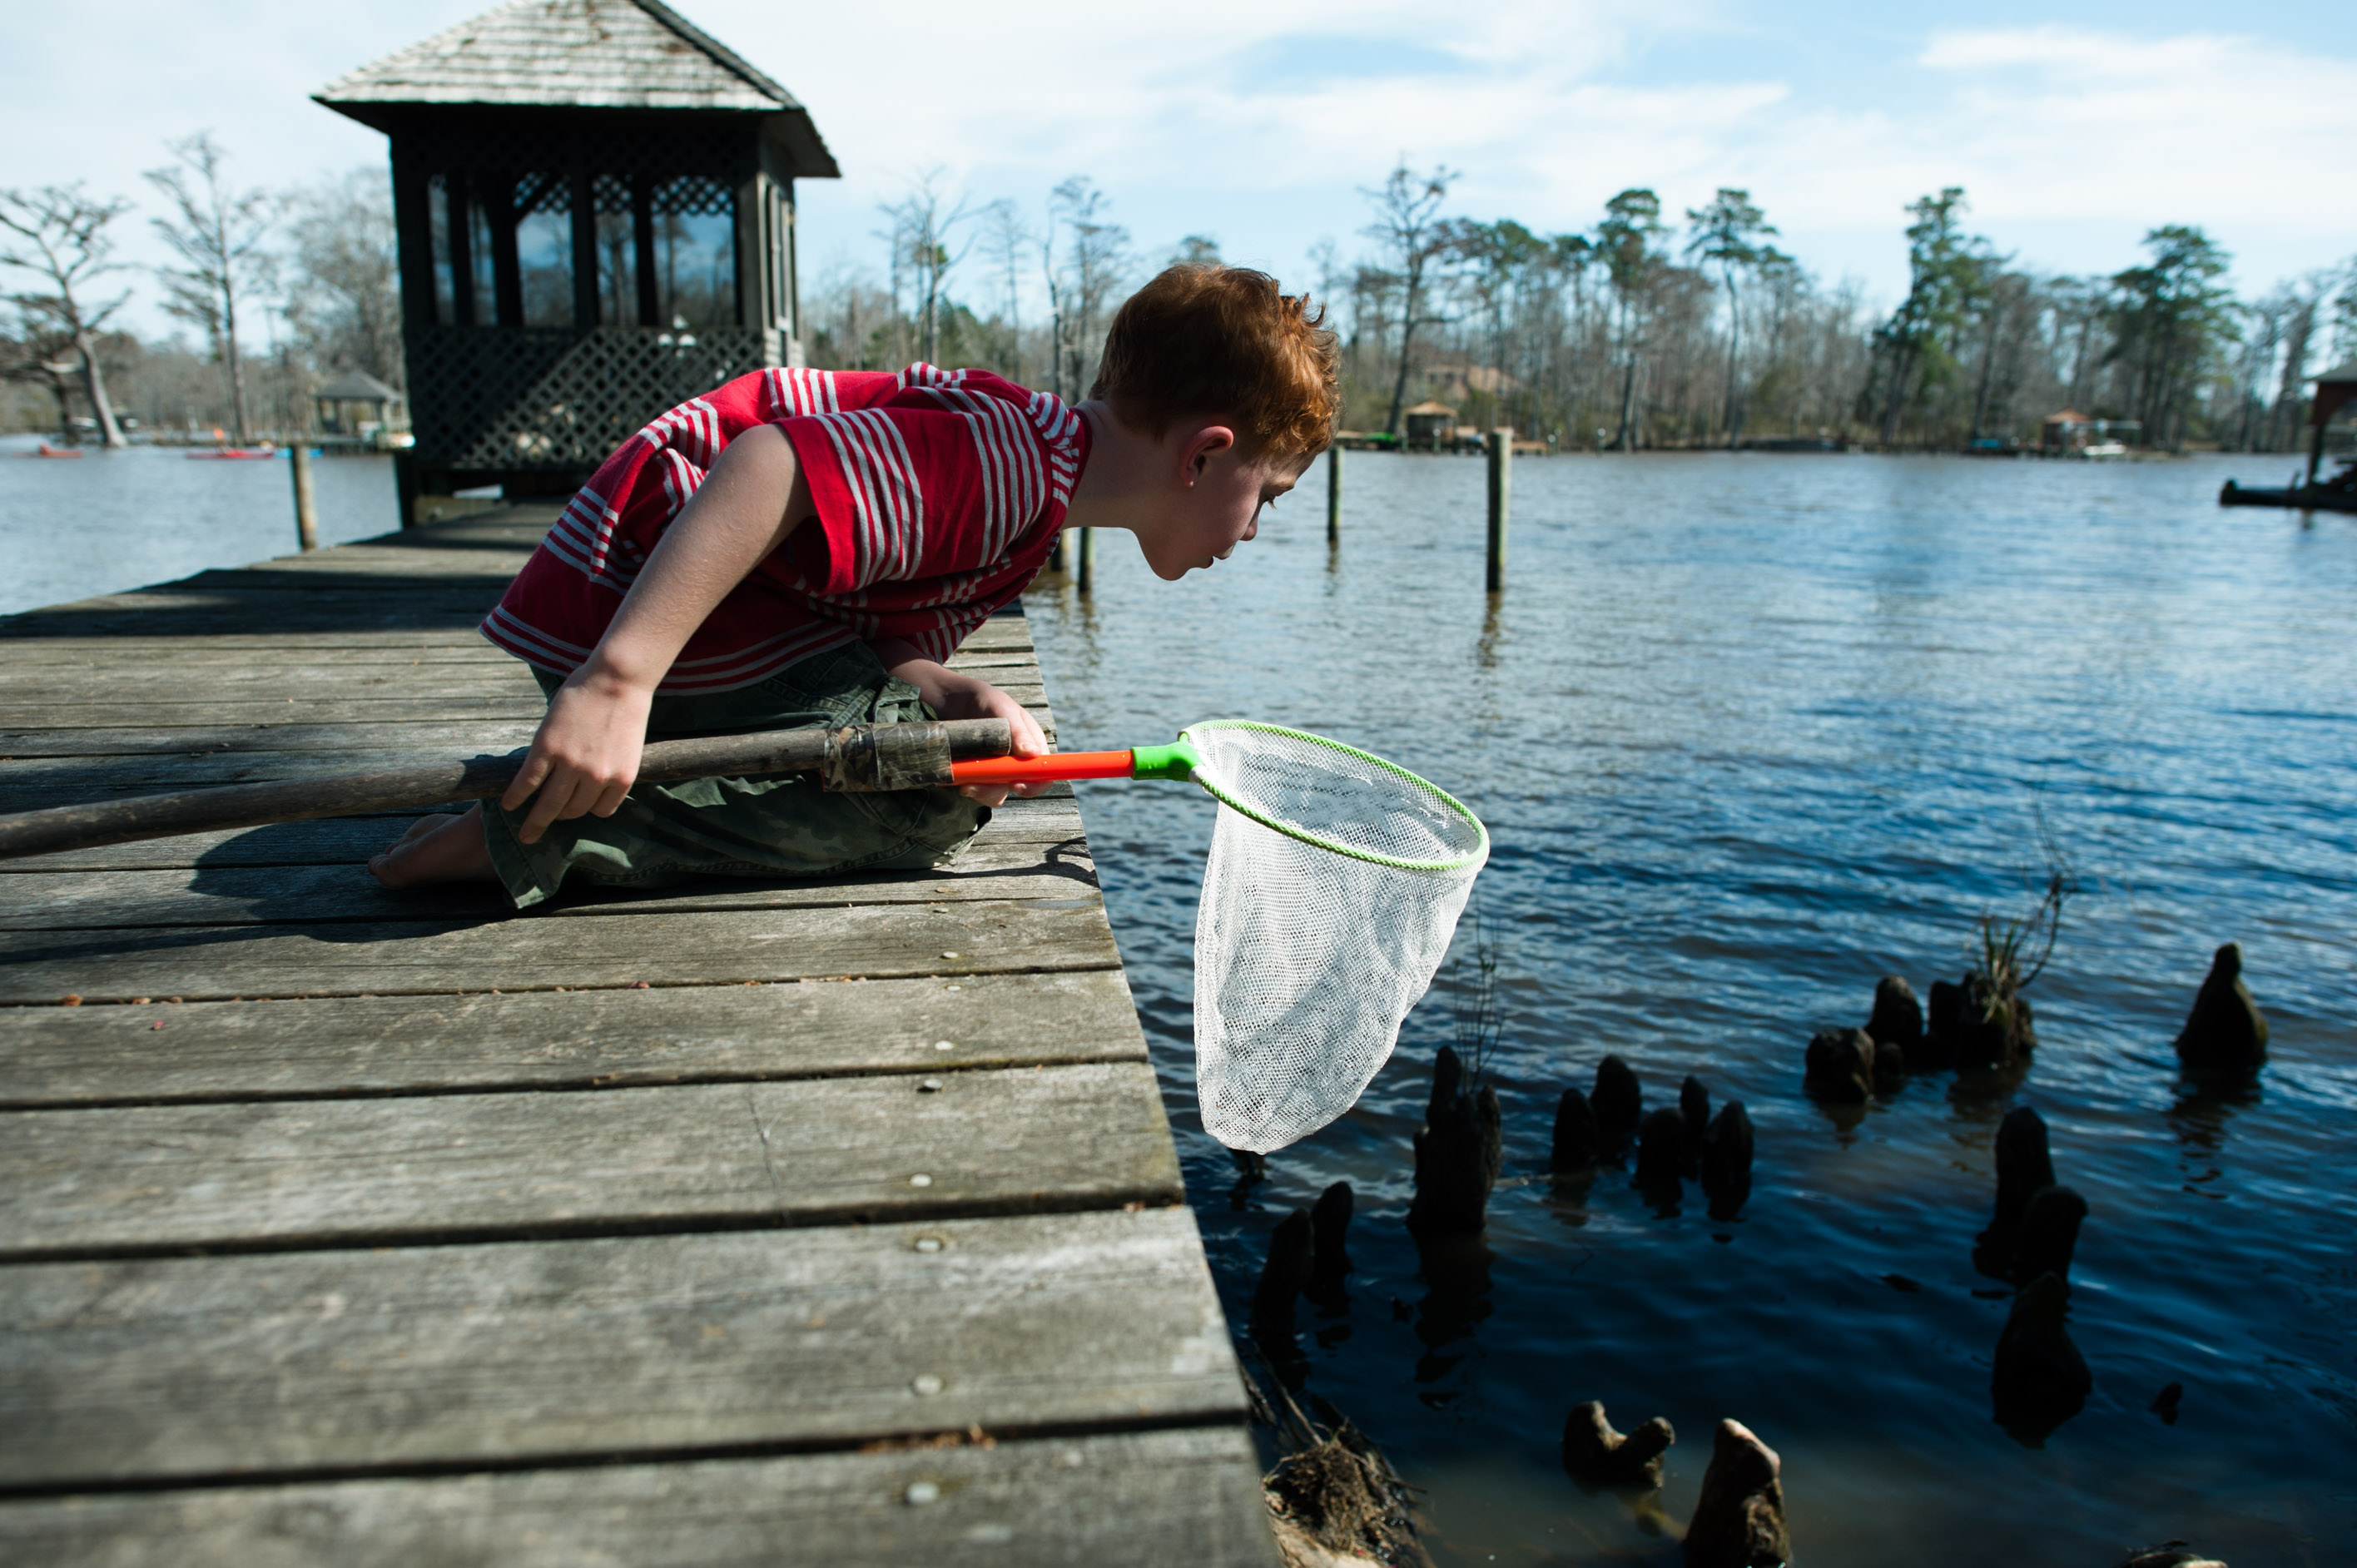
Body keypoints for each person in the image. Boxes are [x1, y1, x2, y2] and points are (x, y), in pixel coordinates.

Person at [370, 264, 1338, 904]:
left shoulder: (1036, 484)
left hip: (719, 619)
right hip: (654, 608)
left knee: (953, 751)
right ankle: (537, 832)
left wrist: (944, 687)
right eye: (1267, 497)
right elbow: (771, 467)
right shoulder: (1012, 471)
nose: (1253, 530)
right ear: (1205, 456)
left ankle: (555, 803)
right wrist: (615, 683)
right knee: (926, 806)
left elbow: (862, 606)